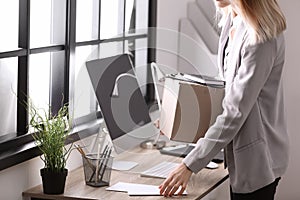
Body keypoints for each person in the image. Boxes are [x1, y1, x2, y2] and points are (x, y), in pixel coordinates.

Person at [159, 0, 289, 199]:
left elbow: (235, 111)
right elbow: (227, 88)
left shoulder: (260, 36)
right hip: (242, 153)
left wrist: (189, 164)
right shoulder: (231, 19)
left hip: (259, 159)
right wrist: (180, 120)